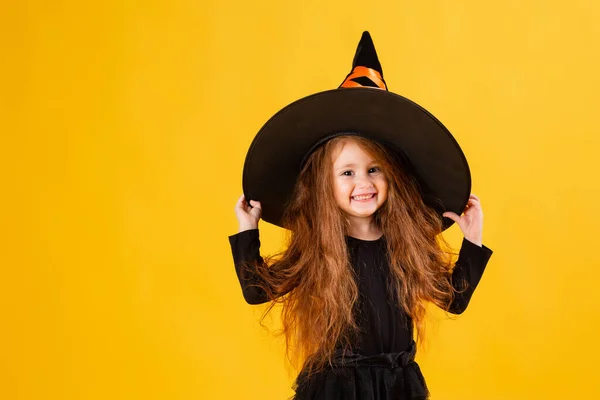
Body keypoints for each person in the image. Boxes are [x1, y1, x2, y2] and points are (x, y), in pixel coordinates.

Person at [228, 32, 493, 400]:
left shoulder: (406, 245)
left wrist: (472, 240)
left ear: (392, 176)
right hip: (337, 388)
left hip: (399, 387)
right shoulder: (317, 247)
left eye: (374, 170)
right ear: (324, 183)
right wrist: (247, 231)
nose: (363, 183)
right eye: (347, 173)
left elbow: (454, 299)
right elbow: (257, 291)